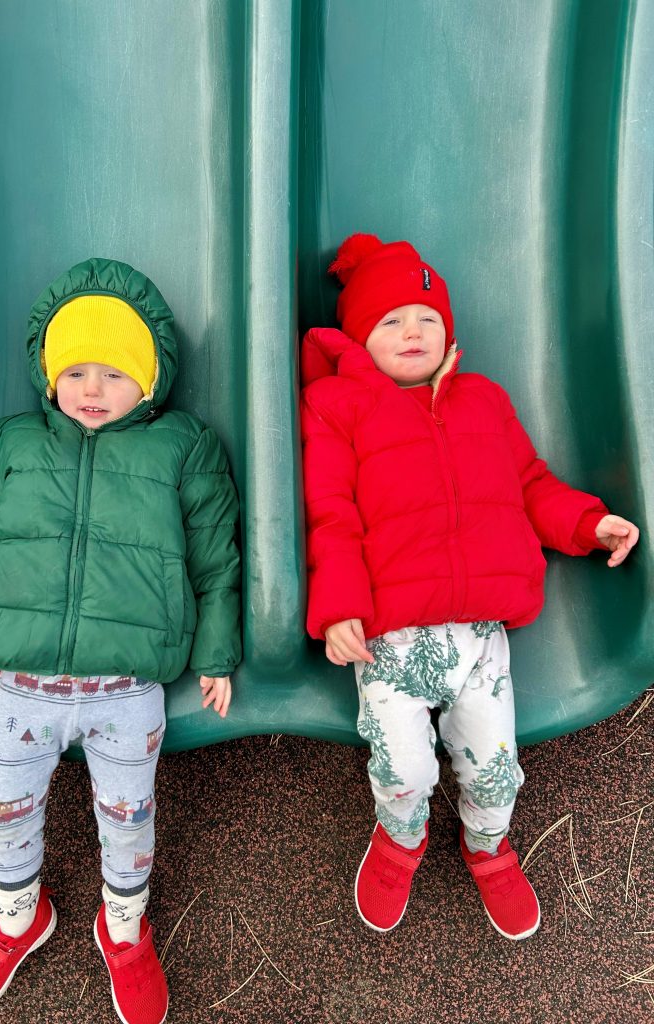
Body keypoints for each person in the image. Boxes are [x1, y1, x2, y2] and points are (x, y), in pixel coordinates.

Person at [0, 258, 241, 1023]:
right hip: (23, 681)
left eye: (113, 372)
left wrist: (218, 651)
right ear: (49, 375)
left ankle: (124, 926)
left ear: (150, 379)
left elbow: (214, 547)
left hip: (126, 686)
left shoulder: (181, 448)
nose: (91, 389)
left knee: (129, 812)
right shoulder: (9, 443)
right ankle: (16, 915)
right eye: (75, 372)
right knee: (7, 806)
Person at [300, 233, 639, 940]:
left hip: (479, 633)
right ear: (361, 340)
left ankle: (488, 845)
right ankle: (400, 838)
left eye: (426, 317)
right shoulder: (340, 407)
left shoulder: (483, 401)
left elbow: (530, 485)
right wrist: (337, 609)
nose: (412, 331)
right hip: (390, 635)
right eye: (389, 321)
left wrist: (587, 522)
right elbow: (329, 514)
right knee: (404, 768)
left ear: (448, 330)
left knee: (494, 768)